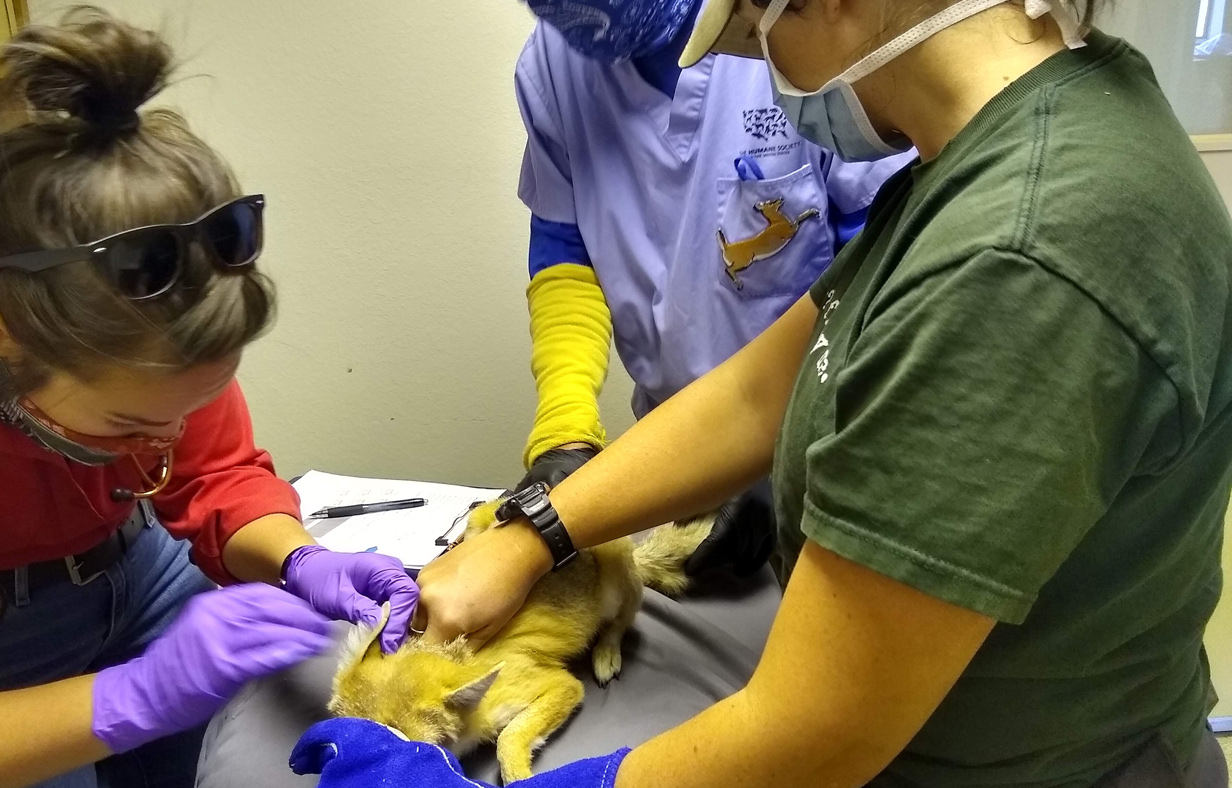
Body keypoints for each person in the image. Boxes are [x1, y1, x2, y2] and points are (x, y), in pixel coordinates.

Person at [307, 0, 1232, 786]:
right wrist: (536, 531)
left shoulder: (1020, 257)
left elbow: (814, 734)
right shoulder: (999, 142)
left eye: (752, 30)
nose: (758, 67)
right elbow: (766, 386)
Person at [0, 10, 417, 788]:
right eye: (132, 424)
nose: (170, 440)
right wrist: (138, 697)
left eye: (194, 402)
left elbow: (214, 476)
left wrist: (295, 554)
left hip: (141, 573)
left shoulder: (152, 284)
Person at [513, 0, 913, 576]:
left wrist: (793, 449)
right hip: (676, 449)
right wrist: (564, 429)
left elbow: (884, 268)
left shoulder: (791, 31)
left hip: (833, 445)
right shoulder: (552, 66)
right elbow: (566, 255)